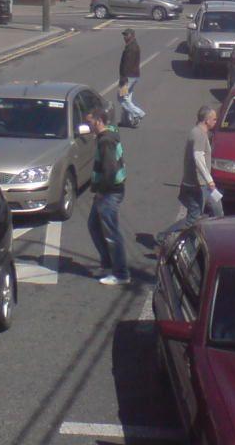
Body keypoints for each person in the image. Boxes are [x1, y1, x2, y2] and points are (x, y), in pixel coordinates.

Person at [157, 105, 223, 245]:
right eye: (214, 119)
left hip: (203, 184)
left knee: (217, 209)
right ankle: (164, 236)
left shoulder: (200, 133)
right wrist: (210, 180)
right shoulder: (198, 134)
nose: (216, 121)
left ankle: (217, 239)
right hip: (197, 184)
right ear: (207, 120)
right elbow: (198, 157)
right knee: (193, 217)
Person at [85, 107, 129, 285]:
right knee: (94, 225)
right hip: (107, 191)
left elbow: (109, 171)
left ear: (98, 121)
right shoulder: (108, 136)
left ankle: (120, 273)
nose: (88, 126)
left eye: (89, 122)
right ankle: (108, 263)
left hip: (109, 191)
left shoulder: (105, 142)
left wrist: (101, 189)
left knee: (112, 233)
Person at [118, 28, 145, 128]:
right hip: (133, 76)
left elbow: (127, 65)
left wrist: (123, 79)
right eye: (124, 35)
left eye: (127, 35)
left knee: (121, 98)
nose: (125, 37)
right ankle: (126, 121)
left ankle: (138, 113)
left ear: (132, 35)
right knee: (127, 98)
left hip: (128, 78)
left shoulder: (131, 48)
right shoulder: (132, 46)